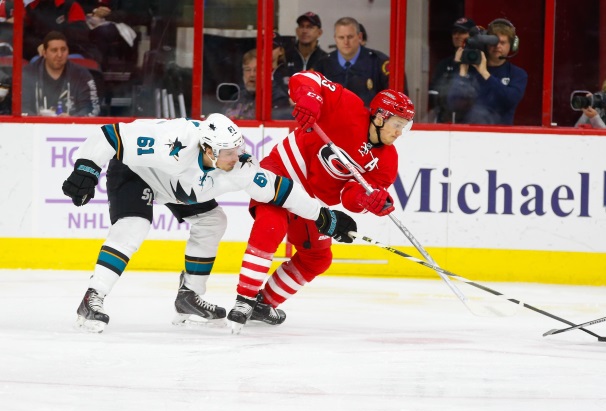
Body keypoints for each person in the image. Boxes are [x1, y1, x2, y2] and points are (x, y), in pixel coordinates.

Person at [61, 114, 357, 333]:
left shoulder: (237, 166)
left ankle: (189, 295)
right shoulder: (172, 142)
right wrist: (87, 168)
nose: (237, 157)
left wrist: (323, 217)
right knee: (134, 227)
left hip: (179, 186)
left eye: (237, 149)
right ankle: (92, 297)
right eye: (229, 152)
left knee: (213, 221)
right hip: (136, 173)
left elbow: (282, 191)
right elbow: (109, 135)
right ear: (207, 149)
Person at [227, 70, 415, 334]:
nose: (399, 132)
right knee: (272, 225)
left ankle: (263, 303)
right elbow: (305, 77)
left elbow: (348, 198)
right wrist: (310, 98)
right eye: (397, 124)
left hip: (309, 202)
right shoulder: (347, 107)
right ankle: (244, 299)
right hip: (283, 172)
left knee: (317, 258)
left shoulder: (387, 161)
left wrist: (366, 199)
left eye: (404, 126)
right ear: (381, 117)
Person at [446, 18, 528, 124]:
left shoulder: (517, 74)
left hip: (502, 135)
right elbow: (453, 104)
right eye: (493, 41)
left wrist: (485, 73)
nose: (497, 46)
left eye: (502, 42)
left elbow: (509, 100)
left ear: (512, 45)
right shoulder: (471, 70)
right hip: (468, 133)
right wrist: (462, 70)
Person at [314, 16, 390, 107]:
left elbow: (394, 100)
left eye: (350, 37)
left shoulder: (378, 62)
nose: (346, 42)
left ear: (360, 37)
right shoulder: (323, 64)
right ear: (335, 39)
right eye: (341, 37)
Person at [22, 31, 100, 116]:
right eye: (54, 50)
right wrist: (38, 120)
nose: (59, 54)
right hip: (35, 127)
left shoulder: (82, 75)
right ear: (44, 53)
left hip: (72, 128)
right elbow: (20, 108)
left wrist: (72, 120)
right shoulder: (27, 74)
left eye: (63, 50)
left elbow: (91, 108)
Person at [429, 17, 476, 123]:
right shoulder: (443, 64)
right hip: (447, 123)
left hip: (474, 124)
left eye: (463, 32)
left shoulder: (480, 63)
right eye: (455, 32)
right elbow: (436, 99)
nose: (457, 36)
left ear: (473, 36)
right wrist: (456, 64)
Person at [23, 0, 101, 63]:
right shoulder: (30, 8)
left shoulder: (71, 5)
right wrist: (38, 45)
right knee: (37, 62)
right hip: (43, 54)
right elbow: (26, 36)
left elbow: (80, 35)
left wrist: (51, 45)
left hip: (73, 52)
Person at [223, 48, 257, 120]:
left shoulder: (274, 98)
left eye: (256, 70)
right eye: (247, 70)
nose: (252, 74)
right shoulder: (236, 97)